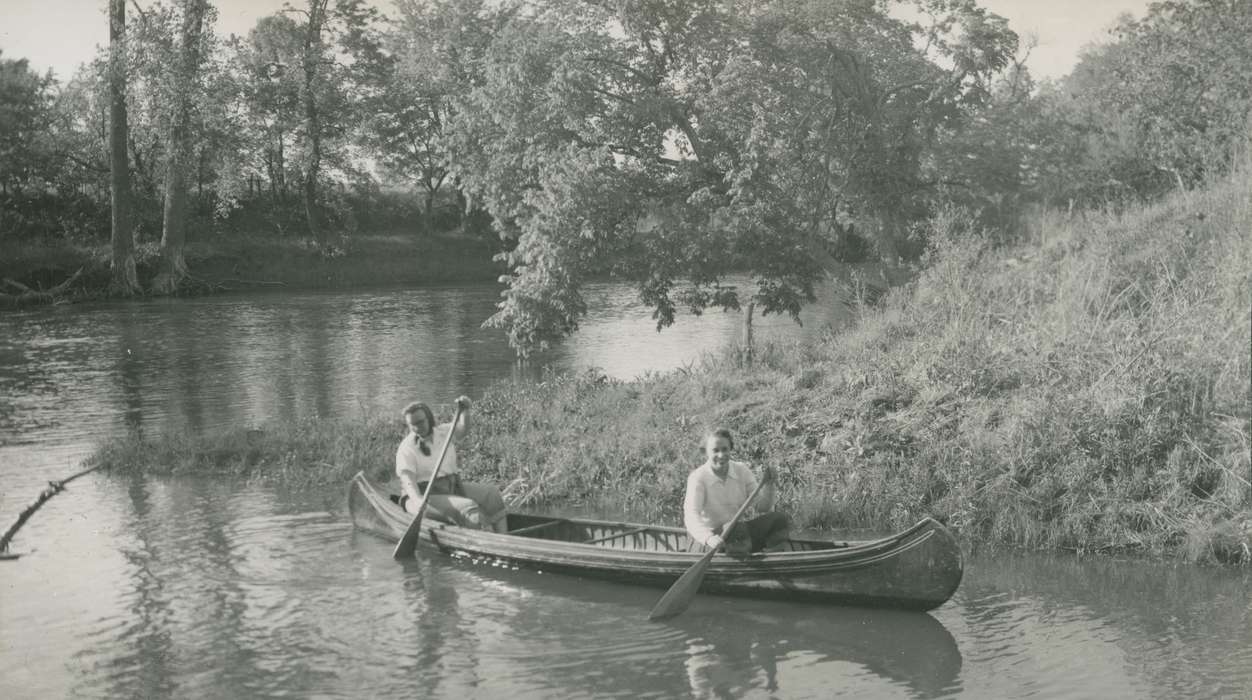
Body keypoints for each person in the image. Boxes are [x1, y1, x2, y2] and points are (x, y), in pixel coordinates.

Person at [395, 396, 508, 533]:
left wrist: (465, 410)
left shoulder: (443, 432)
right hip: (425, 495)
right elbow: (408, 481)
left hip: (451, 487)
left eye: (421, 422)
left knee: (492, 494)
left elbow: (463, 429)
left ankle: (505, 537)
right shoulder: (407, 447)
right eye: (413, 425)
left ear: (429, 418)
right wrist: (418, 500)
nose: (418, 427)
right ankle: (489, 542)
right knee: (469, 507)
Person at [683, 428, 791, 555]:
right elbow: (691, 517)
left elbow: (762, 507)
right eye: (715, 450)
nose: (721, 455)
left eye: (725, 449)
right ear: (706, 452)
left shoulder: (741, 470)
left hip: (735, 535)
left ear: (730, 449)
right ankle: (742, 556)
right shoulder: (698, 478)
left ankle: (770, 555)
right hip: (706, 541)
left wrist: (769, 485)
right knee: (736, 528)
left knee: (779, 519)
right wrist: (709, 538)